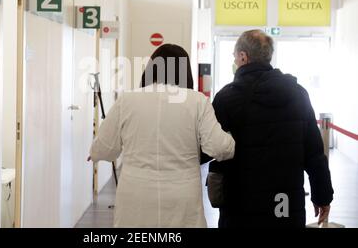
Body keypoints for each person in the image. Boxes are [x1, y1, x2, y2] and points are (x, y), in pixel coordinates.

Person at [88, 44, 235, 228]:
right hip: (182, 197)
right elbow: (219, 147)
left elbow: (106, 148)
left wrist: (95, 153)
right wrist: (231, 140)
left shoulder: (128, 99)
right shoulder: (197, 101)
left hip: (136, 194)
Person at [208, 30, 334, 228]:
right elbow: (314, 153)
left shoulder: (227, 98)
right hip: (285, 204)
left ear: (243, 56)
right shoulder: (298, 94)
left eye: (235, 56)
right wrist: (322, 195)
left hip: (240, 204)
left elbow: (211, 146)